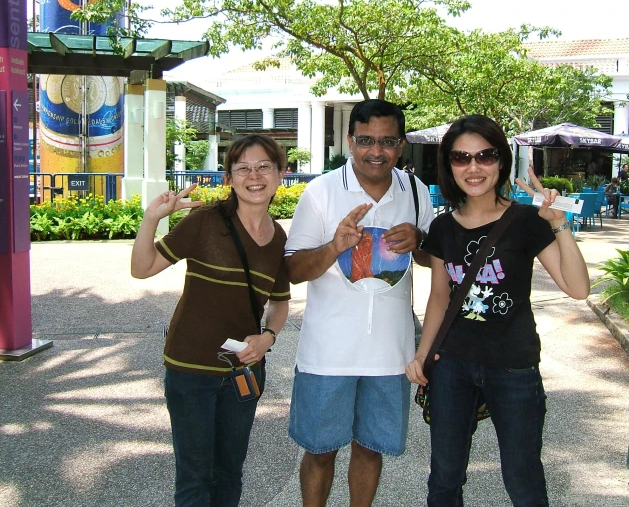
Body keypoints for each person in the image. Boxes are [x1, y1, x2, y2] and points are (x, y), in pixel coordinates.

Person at [405, 114, 590, 507]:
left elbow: (577, 288)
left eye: (485, 156)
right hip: (452, 364)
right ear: (449, 165)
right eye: (461, 158)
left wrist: (560, 225)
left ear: (501, 161)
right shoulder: (442, 228)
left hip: (513, 365)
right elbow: (440, 297)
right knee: (444, 478)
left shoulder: (526, 221)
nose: (474, 167)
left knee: (523, 480)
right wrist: (423, 355)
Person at [285, 99, 434, 507]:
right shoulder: (322, 191)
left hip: (390, 353)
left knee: (370, 448)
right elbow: (294, 269)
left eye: (387, 141)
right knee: (319, 451)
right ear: (350, 141)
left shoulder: (416, 192)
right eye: (366, 140)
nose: (376, 151)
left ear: (401, 145)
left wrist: (418, 240)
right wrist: (334, 245)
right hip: (327, 351)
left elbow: (431, 260)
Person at [130, 135, 291, 506]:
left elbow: (279, 304)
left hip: (244, 371)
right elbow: (143, 268)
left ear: (280, 174)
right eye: (243, 168)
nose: (254, 175)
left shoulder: (278, 236)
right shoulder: (205, 221)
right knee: (194, 476)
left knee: (229, 472)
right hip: (190, 369)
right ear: (229, 178)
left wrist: (267, 337)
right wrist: (151, 218)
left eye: (264, 166)